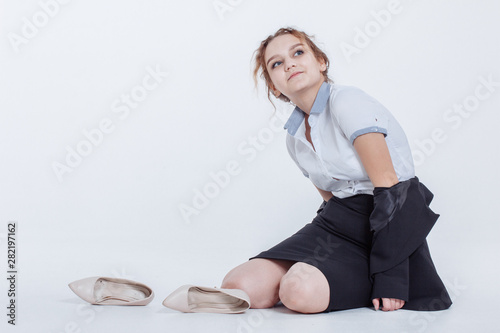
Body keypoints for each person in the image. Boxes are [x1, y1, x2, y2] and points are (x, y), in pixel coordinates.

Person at [220, 27, 452, 314]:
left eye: (298, 52)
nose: (289, 63)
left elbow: (392, 187)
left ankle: (353, 275)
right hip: (339, 224)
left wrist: (391, 276)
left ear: (321, 62)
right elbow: (331, 200)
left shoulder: (347, 101)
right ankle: (331, 275)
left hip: (391, 216)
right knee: (238, 286)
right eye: (276, 63)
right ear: (274, 87)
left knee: (297, 292)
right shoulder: (293, 138)